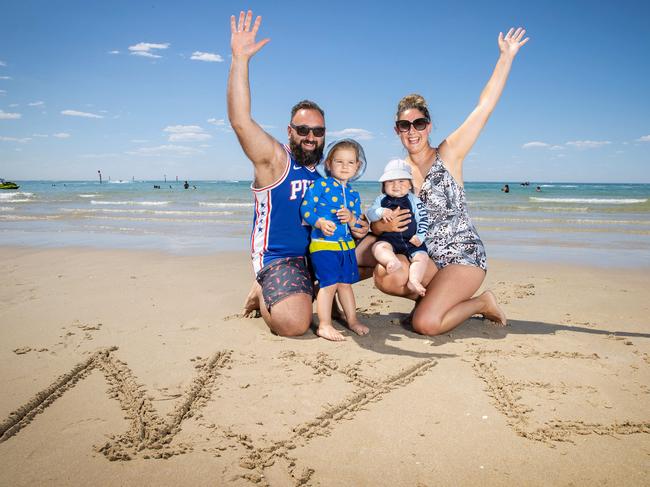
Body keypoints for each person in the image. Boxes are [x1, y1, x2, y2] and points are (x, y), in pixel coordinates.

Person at [369, 27, 529, 336]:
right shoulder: (397, 175)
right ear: (397, 130)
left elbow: (484, 107)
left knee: (426, 324)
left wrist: (506, 57)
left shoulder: (450, 154)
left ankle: (481, 302)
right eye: (404, 125)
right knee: (385, 275)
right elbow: (384, 219)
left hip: (463, 257)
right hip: (428, 260)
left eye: (418, 123)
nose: (412, 131)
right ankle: (436, 299)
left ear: (428, 126)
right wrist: (380, 226)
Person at [227, 10, 368, 337]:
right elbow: (240, 120)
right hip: (280, 259)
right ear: (290, 130)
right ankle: (263, 288)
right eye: (303, 129)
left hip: (316, 255)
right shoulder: (275, 160)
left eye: (317, 131)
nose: (310, 136)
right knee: (295, 325)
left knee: (375, 248)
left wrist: (360, 224)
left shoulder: (326, 179)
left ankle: (313, 290)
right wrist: (240, 59)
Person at [301, 139, 369, 341]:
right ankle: (324, 325)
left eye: (350, 162)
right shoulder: (321, 185)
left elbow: (357, 226)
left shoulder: (353, 194)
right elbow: (305, 210)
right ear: (329, 164)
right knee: (329, 284)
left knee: (345, 285)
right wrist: (319, 222)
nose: (345, 166)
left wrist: (352, 219)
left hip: (346, 247)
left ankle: (353, 320)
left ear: (357, 166)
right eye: (339, 162)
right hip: (323, 246)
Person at [366, 159, 429, 297]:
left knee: (422, 258)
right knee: (378, 247)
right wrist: (381, 212)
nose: (396, 185)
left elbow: (423, 219)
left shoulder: (414, 200)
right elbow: (370, 213)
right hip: (389, 240)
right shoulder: (381, 200)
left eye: (402, 181)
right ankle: (391, 261)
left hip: (411, 241)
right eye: (390, 181)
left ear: (410, 185)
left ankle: (414, 280)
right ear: (384, 185)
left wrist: (420, 236)